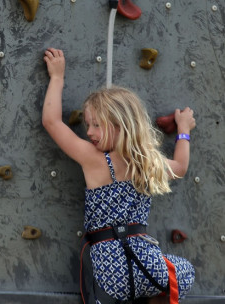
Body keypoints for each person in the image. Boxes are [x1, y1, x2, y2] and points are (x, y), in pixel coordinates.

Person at [41, 48, 195, 304]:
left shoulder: (95, 159)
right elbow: (180, 166)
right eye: (88, 125)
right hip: (149, 267)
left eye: (97, 125)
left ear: (120, 125)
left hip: (110, 273)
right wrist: (183, 130)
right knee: (183, 270)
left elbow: (52, 122)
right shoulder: (147, 163)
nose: (89, 132)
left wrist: (57, 77)